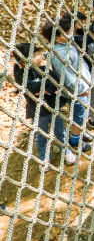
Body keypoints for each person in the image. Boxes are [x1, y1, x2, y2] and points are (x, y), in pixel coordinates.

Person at [41, 17, 92, 161]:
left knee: (84, 112)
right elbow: (67, 76)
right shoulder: (59, 54)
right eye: (67, 32)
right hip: (76, 90)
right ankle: (75, 142)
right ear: (56, 38)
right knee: (79, 114)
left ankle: (79, 134)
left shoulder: (66, 44)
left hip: (82, 83)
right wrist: (81, 89)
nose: (71, 34)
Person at [12, 41, 69, 171]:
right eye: (33, 55)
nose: (38, 57)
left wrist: (44, 89)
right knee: (41, 135)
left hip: (53, 106)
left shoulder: (43, 69)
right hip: (38, 111)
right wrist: (44, 87)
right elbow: (30, 88)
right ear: (22, 61)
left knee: (60, 130)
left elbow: (55, 81)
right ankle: (44, 158)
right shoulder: (21, 75)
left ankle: (65, 151)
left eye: (37, 53)